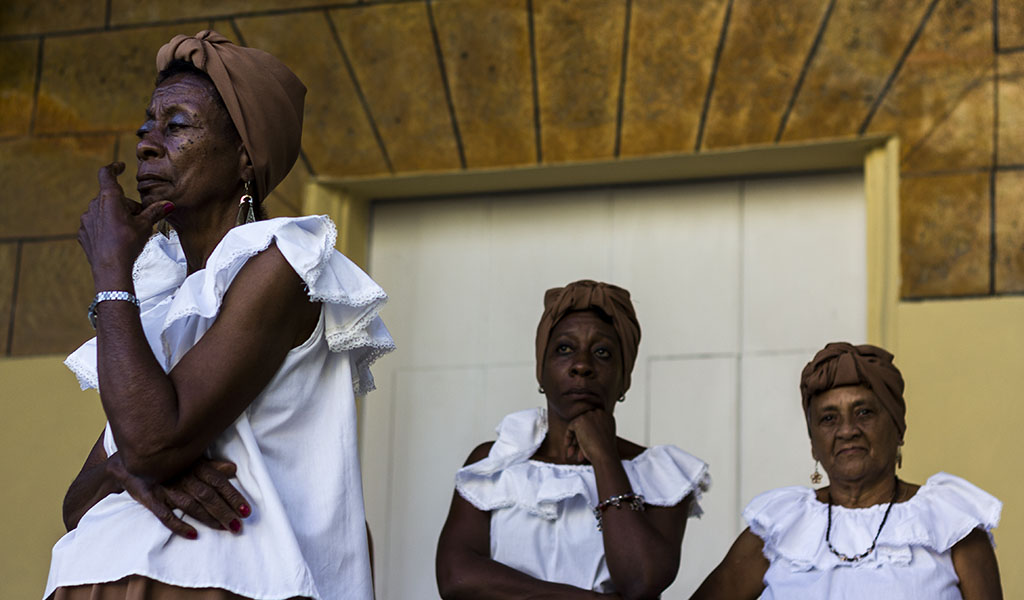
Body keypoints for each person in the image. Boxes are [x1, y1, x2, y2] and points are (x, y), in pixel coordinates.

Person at [43, 30, 394, 600]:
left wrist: (110, 272)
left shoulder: (281, 264)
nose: (146, 145)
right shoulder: (159, 296)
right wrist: (125, 469)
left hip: (216, 584)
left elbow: (151, 443)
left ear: (245, 157)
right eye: (146, 126)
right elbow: (77, 504)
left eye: (177, 124)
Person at [436, 280, 710, 599]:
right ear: (541, 371)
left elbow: (640, 582)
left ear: (624, 379)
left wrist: (604, 457)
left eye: (602, 353)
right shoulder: (496, 461)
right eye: (564, 349)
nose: (582, 365)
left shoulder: (660, 474)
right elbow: (456, 577)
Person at [691, 342, 1002, 600]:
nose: (847, 430)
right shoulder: (778, 529)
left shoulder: (950, 526)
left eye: (864, 412)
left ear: (898, 428)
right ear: (813, 444)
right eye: (829, 418)